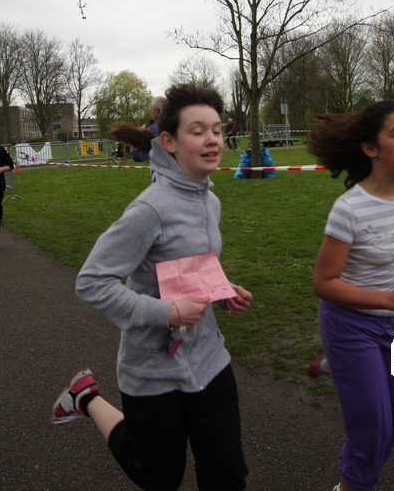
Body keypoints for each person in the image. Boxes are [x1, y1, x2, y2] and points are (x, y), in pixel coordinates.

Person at [51, 84, 254, 491]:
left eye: (217, 130)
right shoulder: (149, 209)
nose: (212, 139)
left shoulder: (210, 201)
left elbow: (189, 265)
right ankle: (86, 397)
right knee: (158, 477)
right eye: (198, 131)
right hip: (152, 370)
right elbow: (91, 282)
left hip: (209, 360)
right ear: (169, 141)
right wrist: (168, 313)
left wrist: (223, 288)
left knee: (228, 477)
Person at [305, 101, 394, 491]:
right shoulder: (349, 210)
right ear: (370, 148)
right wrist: (388, 299)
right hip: (350, 326)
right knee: (373, 435)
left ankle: (341, 370)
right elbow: (324, 283)